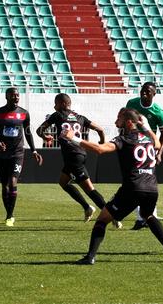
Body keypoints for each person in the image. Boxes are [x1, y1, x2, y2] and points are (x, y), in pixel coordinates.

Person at [63, 108, 163, 265]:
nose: (116, 122)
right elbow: (157, 144)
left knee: (102, 220)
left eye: (119, 118)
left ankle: (90, 257)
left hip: (133, 187)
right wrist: (146, 127)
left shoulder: (125, 139)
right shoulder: (147, 138)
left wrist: (74, 138)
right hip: (151, 188)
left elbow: (100, 149)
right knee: (148, 216)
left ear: (129, 122)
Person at [36, 93, 121, 227]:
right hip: (80, 153)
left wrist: (45, 137)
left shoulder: (57, 115)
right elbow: (99, 129)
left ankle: (112, 215)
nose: (54, 106)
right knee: (63, 182)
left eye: (56, 103)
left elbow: (39, 130)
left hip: (72, 157)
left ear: (63, 104)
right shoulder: (80, 117)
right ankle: (87, 207)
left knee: (89, 189)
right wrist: (102, 141)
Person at [0, 87, 43, 226]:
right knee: (4, 186)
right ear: (7, 97)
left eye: (17, 95)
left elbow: (28, 133)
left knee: (13, 181)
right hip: (3, 154)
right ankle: (8, 212)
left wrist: (34, 151)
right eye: (13, 95)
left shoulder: (24, 113)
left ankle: (10, 215)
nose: (16, 97)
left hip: (18, 153)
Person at [125, 82, 163, 230]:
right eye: (143, 91)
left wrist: (160, 152)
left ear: (154, 94)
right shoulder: (132, 103)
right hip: (133, 147)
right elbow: (126, 122)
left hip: (148, 149)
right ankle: (144, 218)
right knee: (136, 181)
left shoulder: (158, 112)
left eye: (148, 92)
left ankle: (145, 218)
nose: (144, 94)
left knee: (146, 182)